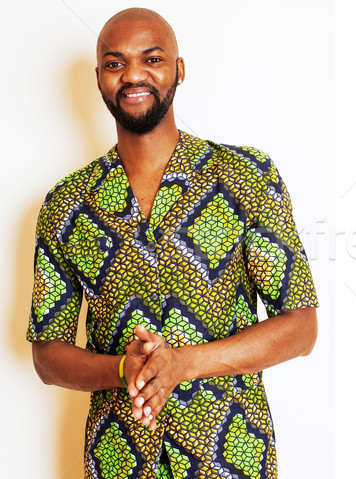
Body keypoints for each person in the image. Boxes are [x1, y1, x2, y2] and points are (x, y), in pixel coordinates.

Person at [27, 7, 319, 479]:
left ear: (178, 70)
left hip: (230, 457)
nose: (133, 75)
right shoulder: (66, 204)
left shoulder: (246, 177)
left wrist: (184, 364)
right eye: (115, 63)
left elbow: (301, 326)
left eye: (153, 58)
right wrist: (124, 370)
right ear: (99, 77)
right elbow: (47, 355)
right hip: (117, 460)